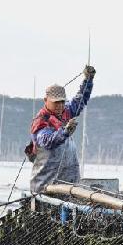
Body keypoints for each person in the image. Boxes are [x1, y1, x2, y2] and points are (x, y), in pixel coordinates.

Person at [28, 65, 95, 193]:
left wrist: (88, 80)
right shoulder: (41, 121)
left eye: (62, 102)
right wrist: (64, 132)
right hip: (45, 187)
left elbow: (80, 100)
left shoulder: (66, 113)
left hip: (69, 186)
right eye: (56, 102)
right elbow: (47, 141)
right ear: (46, 100)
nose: (59, 106)